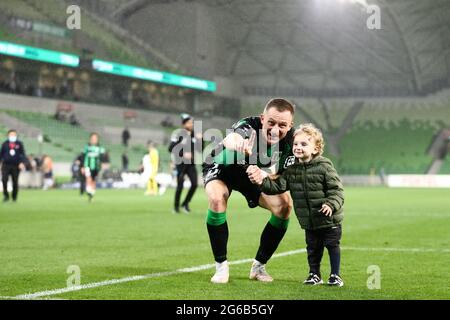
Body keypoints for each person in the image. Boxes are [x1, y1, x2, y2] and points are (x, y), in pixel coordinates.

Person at [202, 98, 296, 284]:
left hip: (251, 171)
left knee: (284, 206)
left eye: (282, 125)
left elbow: (284, 176)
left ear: (290, 125)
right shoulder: (249, 126)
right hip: (223, 166)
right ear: (262, 119)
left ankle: (259, 266)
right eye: (271, 123)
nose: (275, 129)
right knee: (217, 199)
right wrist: (239, 143)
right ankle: (221, 267)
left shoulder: (293, 141)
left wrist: (264, 175)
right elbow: (232, 138)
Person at [247, 123, 345, 287]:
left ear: (315, 148)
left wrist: (330, 204)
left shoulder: (325, 166)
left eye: (304, 144)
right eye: (295, 144)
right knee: (313, 249)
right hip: (309, 220)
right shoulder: (292, 170)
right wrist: (260, 181)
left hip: (329, 219)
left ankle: (335, 275)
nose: (298, 147)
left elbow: (337, 190)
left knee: (332, 246)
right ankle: (314, 274)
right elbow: (277, 187)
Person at [169, 114, 201, 214]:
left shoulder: (194, 135)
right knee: (180, 186)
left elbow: (200, 150)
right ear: (184, 124)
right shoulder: (178, 134)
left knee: (195, 184)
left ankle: (185, 203)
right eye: (190, 122)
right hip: (181, 164)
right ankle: (176, 207)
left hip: (191, 164)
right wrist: (183, 153)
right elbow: (170, 148)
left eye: (192, 122)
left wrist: (201, 140)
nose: (192, 124)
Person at [1, 129, 26, 202]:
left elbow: (22, 154)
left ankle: (14, 197)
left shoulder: (19, 144)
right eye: (11, 135)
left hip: (16, 165)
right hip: (6, 165)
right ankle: (6, 196)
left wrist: (21, 162)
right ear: (8, 135)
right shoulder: (4, 144)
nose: (12, 136)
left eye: (14, 135)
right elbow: (1, 154)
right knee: (4, 180)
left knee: (15, 182)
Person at [81, 133, 105, 202]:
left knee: (93, 181)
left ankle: (91, 195)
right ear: (90, 139)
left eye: (95, 138)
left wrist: (102, 164)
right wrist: (82, 166)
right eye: (93, 138)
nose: (94, 140)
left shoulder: (100, 148)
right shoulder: (86, 147)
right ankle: (88, 191)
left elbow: (102, 157)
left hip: (96, 167)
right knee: (89, 178)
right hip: (87, 166)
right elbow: (82, 157)